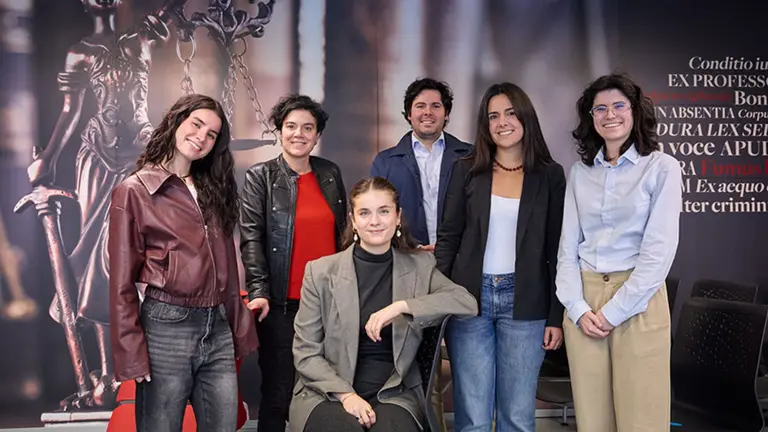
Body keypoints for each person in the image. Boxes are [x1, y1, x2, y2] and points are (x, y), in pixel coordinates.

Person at [108, 94, 259, 430]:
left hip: (218, 327)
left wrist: (238, 324)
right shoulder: (134, 191)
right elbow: (121, 282)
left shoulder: (214, 188)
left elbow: (227, 266)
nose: (201, 137)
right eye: (196, 124)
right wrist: (130, 350)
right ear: (176, 121)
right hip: (166, 327)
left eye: (212, 134)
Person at [289, 176, 478, 432]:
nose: (375, 221)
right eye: (364, 213)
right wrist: (347, 396)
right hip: (328, 392)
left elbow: (466, 303)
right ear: (353, 221)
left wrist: (401, 306)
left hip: (394, 393)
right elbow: (306, 353)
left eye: (384, 211)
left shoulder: (420, 266)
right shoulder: (320, 272)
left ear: (398, 217)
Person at [435, 82, 566, 432]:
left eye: (510, 113)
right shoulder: (466, 170)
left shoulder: (550, 175)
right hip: (469, 301)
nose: (502, 122)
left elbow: (558, 249)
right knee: (472, 418)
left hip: (527, 303)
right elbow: (448, 239)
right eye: (493, 116)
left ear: (525, 117)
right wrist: (439, 302)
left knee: (518, 418)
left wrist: (556, 316)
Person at [556, 72, 682, 431]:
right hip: (584, 303)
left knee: (642, 419)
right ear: (591, 118)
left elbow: (658, 253)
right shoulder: (580, 173)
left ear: (635, 111)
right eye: (600, 108)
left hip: (637, 301)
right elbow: (567, 250)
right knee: (593, 420)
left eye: (618, 105)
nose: (609, 114)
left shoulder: (661, 168)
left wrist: (613, 312)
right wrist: (577, 308)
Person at [239, 94, 348, 432]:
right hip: (281, 305)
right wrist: (258, 290)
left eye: (307, 128)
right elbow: (251, 238)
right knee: (279, 392)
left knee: (328, 389)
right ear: (280, 131)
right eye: (291, 126)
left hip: (329, 303)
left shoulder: (329, 173)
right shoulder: (260, 176)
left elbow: (344, 234)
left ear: (317, 135)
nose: (299, 134)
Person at [370, 78, 472, 250]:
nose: (428, 112)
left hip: (459, 257)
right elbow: (377, 215)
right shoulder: (385, 162)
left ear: (446, 113)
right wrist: (411, 247)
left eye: (436, 106)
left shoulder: (470, 156)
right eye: (420, 106)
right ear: (409, 114)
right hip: (405, 257)